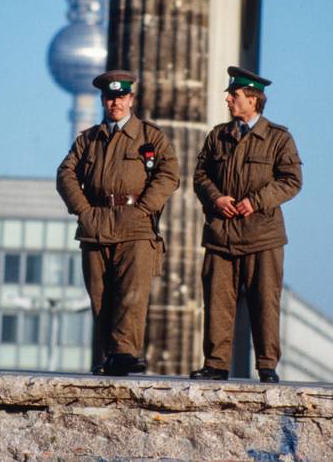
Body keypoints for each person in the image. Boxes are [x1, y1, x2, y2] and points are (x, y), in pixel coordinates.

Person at [57, 69, 180, 376]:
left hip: (135, 223)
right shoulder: (89, 139)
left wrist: (144, 209)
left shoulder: (150, 137)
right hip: (96, 221)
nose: (116, 103)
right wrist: (83, 210)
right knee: (100, 296)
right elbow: (65, 174)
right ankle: (108, 356)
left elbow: (169, 174)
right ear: (103, 100)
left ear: (131, 99)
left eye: (121, 97)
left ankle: (124, 353)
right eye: (110, 98)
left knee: (131, 293)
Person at [189, 66, 303, 383]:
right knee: (217, 302)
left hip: (262, 235)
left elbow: (292, 181)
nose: (228, 99)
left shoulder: (278, 138)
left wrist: (256, 200)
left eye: (234, 95)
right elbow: (200, 176)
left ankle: (266, 365)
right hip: (221, 235)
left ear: (252, 99)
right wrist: (216, 198)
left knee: (265, 301)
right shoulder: (218, 136)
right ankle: (216, 364)